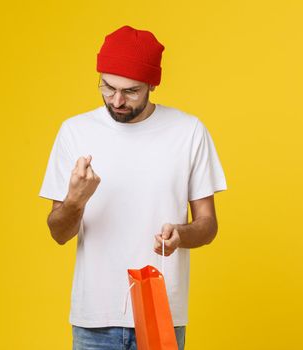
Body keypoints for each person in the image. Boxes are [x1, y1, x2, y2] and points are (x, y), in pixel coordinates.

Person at [39, 25, 227, 350]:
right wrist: (75, 201)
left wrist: (182, 234)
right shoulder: (75, 132)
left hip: (161, 313)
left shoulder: (188, 132)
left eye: (131, 91)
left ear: (153, 84)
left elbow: (208, 225)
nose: (117, 100)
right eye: (108, 87)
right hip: (94, 318)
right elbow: (58, 233)